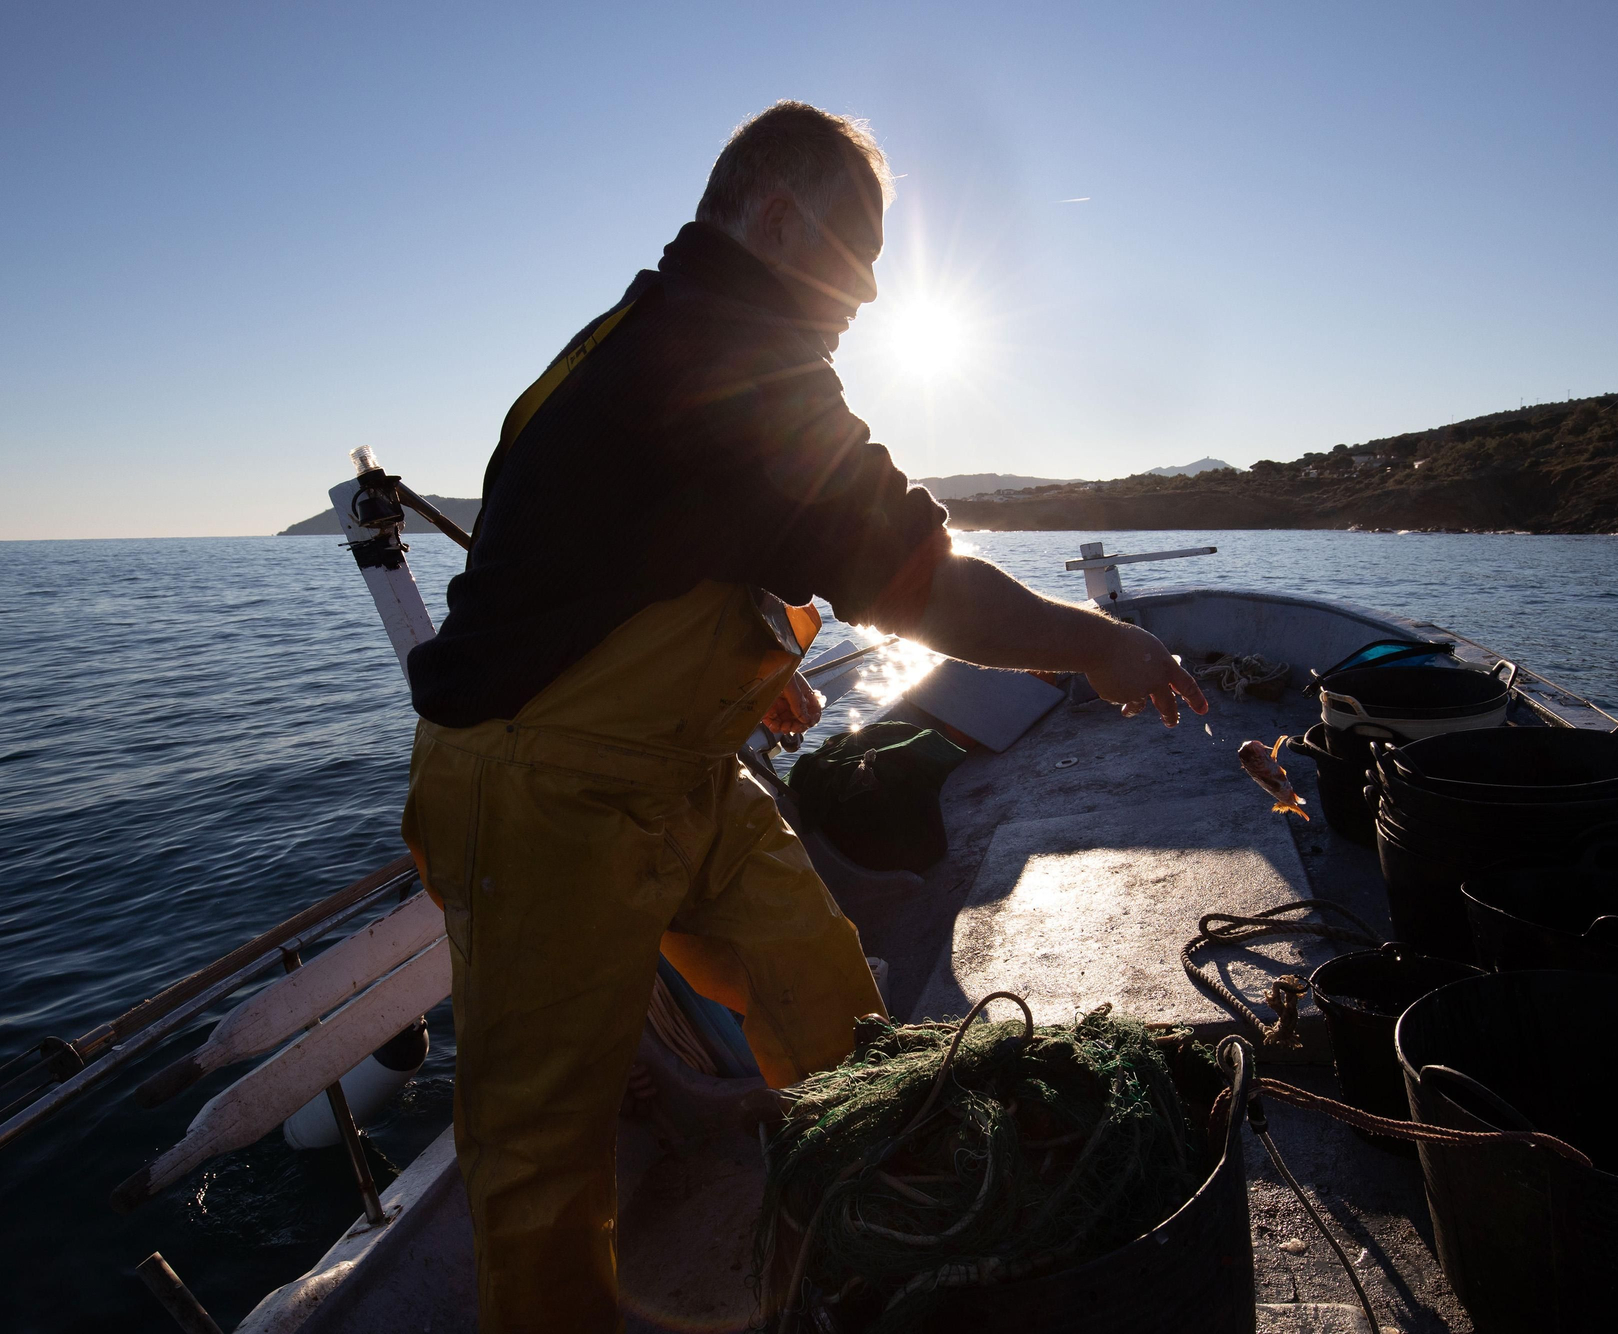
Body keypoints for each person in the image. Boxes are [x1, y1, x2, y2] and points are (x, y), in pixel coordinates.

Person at [400, 100, 1207, 1333]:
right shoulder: (716, 352)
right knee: (540, 1160)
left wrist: (735, 665)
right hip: (535, 798)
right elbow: (922, 585)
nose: (859, 306)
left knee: (824, 994)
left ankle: (866, 1254)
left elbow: (611, 560)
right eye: (849, 270)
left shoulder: (658, 341)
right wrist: (1099, 644)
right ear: (773, 219)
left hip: (675, 774)